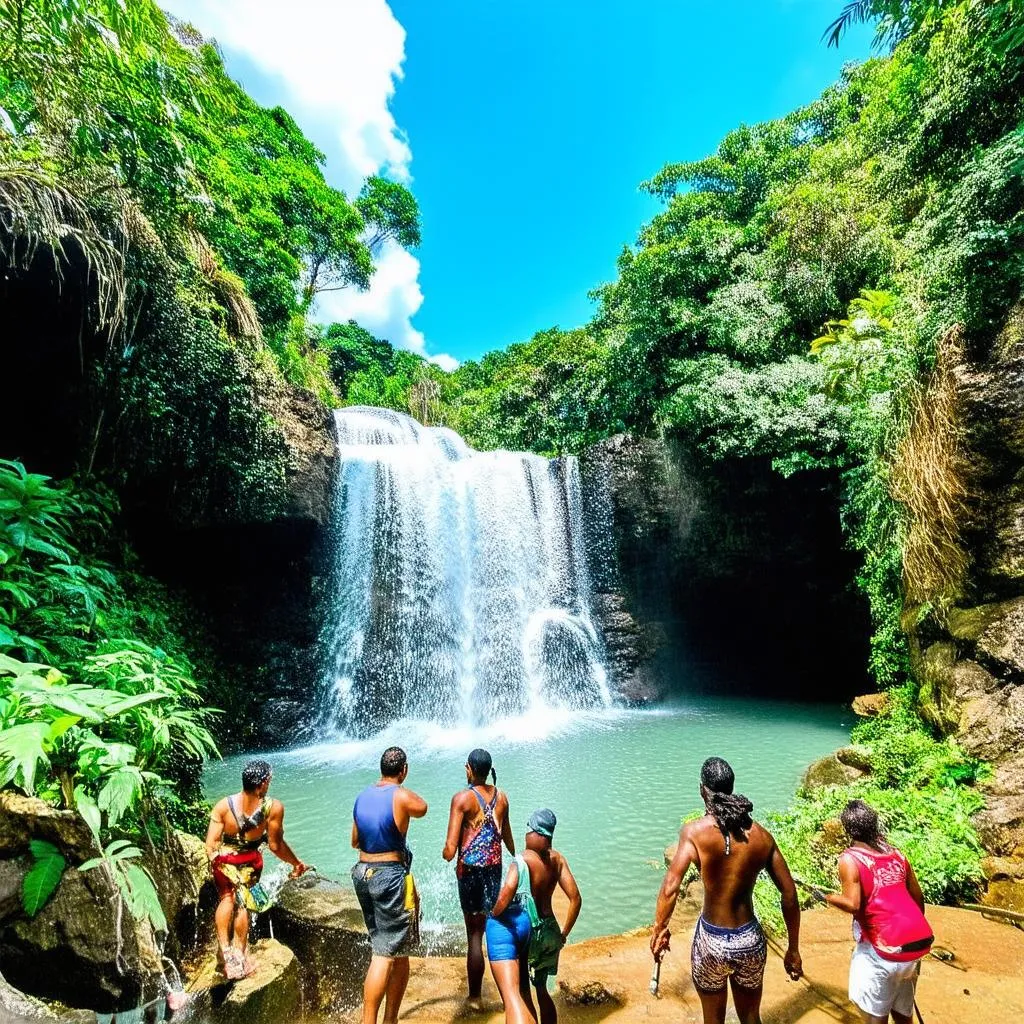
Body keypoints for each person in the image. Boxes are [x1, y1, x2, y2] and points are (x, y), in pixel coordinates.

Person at [651, 756, 802, 1024]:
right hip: (749, 940)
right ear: (731, 788)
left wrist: (660, 929)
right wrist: (793, 949)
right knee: (751, 1017)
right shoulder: (762, 836)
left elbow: (671, 886)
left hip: (711, 941)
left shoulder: (694, 833)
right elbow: (789, 893)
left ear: (702, 790)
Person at [825, 800, 933, 1024]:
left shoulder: (850, 858)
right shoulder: (897, 855)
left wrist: (827, 897)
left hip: (884, 949)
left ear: (848, 830)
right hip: (917, 943)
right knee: (904, 1012)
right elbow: (918, 898)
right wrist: (909, 931)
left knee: (875, 1015)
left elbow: (853, 904)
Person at [205, 759, 308, 979]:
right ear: (262, 784)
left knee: (227, 898)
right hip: (249, 864)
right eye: (269, 780)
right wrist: (296, 863)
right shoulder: (272, 808)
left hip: (223, 861)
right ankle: (239, 957)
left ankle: (225, 952)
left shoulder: (223, 806)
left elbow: (211, 844)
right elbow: (275, 845)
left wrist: (219, 861)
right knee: (243, 904)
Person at [351, 746, 428, 1024]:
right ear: (403, 770)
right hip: (388, 877)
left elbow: (354, 840)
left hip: (362, 874)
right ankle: (369, 1020)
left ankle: (391, 1019)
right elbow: (423, 807)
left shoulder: (362, 797)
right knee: (383, 954)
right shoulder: (401, 795)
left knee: (397, 948)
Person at [486, 809, 582, 1024]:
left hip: (532, 930)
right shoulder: (558, 860)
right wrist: (564, 933)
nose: (526, 834)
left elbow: (508, 891)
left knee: (521, 992)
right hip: (550, 930)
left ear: (538, 834)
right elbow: (576, 898)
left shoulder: (522, 860)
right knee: (542, 990)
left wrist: (492, 913)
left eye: (528, 830)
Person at [442, 748, 516, 1010]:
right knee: (495, 929)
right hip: (494, 870)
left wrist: (446, 852)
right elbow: (508, 840)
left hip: (470, 873)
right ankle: (510, 993)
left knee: (474, 935)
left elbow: (450, 851)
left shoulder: (462, 799)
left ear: (469, 769)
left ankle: (475, 998)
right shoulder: (502, 797)